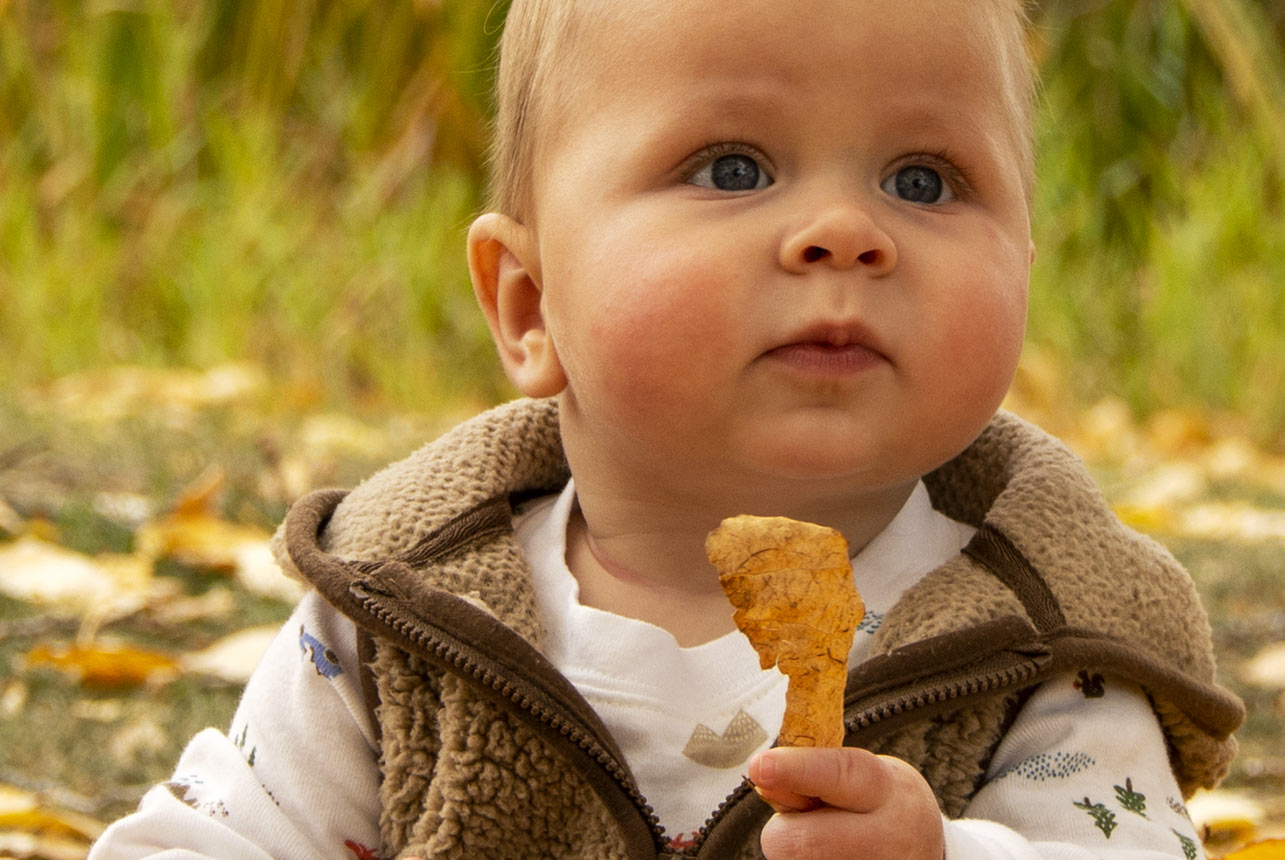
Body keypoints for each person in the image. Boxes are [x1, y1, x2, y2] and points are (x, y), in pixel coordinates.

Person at [89, 0, 1244, 858]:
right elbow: (211, 838)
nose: (846, 230)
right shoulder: (400, 614)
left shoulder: (1045, 637)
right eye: (732, 167)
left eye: (924, 180)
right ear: (529, 304)